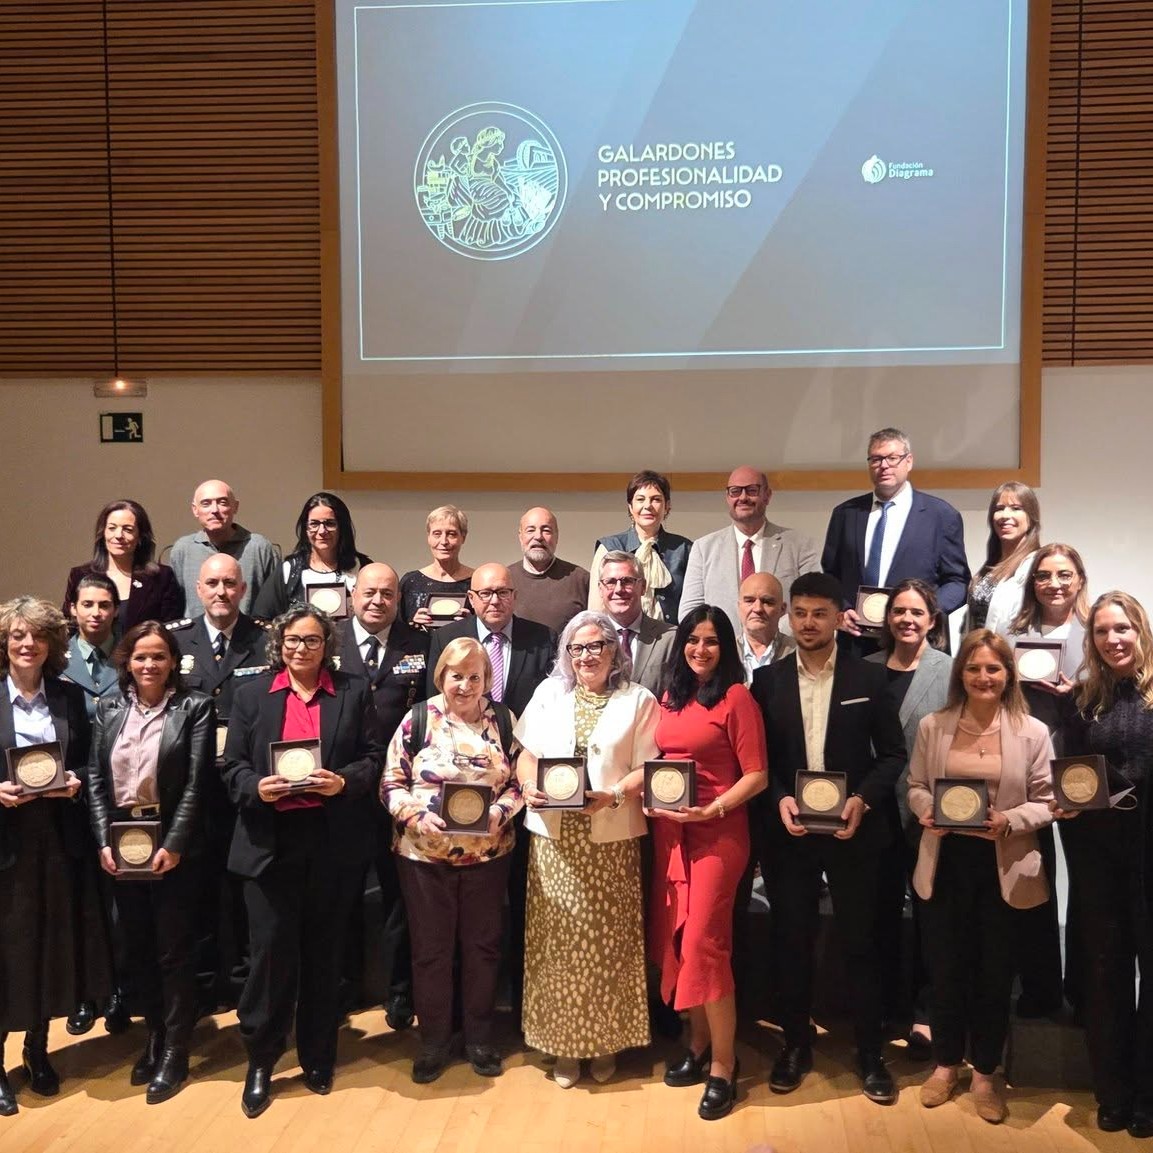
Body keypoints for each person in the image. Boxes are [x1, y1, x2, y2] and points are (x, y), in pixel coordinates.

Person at [222, 605, 385, 1117]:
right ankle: (261, 1058)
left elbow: (374, 757)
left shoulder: (353, 691)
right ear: (279, 644)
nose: (301, 649)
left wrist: (344, 782)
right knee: (269, 956)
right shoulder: (252, 695)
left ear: (327, 645)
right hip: (269, 846)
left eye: (312, 640)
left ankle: (318, 1054)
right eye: (293, 640)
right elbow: (231, 765)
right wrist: (256, 787)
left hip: (331, 843)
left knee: (323, 953)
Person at [750, 572, 905, 1105]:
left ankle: (869, 1052)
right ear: (788, 617)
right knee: (790, 941)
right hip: (790, 833)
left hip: (853, 832)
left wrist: (862, 799)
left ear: (839, 617)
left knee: (861, 942)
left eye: (819, 613)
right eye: (800, 613)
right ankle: (795, 1045)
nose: (808, 623)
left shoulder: (871, 678)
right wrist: (779, 800)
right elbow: (761, 762)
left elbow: (893, 755)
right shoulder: (766, 682)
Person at [908, 629, 1055, 1124]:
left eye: (993, 668)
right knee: (945, 969)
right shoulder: (933, 725)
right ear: (960, 674)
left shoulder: (1033, 731)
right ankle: (946, 1064)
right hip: (945, 862)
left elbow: (1047, 800)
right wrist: (926, 810)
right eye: (973, 668)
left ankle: (987, 1073)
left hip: (1003, 866)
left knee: (994, 974)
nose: (983, 677)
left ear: (1008, 674)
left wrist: (1009, 819)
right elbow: (916, 785)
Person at [514, 612, 659, 1090]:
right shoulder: (548, 694)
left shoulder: (638, 700)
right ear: (566, 654)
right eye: (577, 648)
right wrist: (529, 785)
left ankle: (605, 1042)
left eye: (597, 645)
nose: (587, 656)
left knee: (606, 945)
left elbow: (650, 767)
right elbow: (526, 754)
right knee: (558, 945)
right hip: (555, 842)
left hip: (610, 839)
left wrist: (613, 795)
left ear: (615, 650)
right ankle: (562, 1044)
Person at [382, 637, 522, 1083]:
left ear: (487, 679)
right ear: (441, 675)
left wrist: (501, 811)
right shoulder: (418, 718)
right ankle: (434, 1041)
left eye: (474, 676)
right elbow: (390, 781)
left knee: (483, 948)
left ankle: (479, 1038)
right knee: (431, 952)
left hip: (488, 856)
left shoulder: (503, 720)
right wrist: (415, 816)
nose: (465, 685)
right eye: (456, 675)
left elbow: (521, 781)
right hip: (424, 857)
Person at [87, 621, 215, 1104]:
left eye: (159, 655)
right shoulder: (108, 709)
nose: (149, 664)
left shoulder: (194, 707)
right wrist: (103, 840)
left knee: (173, 950)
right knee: (137, 947)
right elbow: (95, 780)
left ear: (173, 661)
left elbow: (197, 784)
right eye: (141, 656)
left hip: (171, 843)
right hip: (122, 842)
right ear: (127, 661)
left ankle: (177, 1049)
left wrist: (175, 843)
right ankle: (155, 1036)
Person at [649, 606, 768, 1120]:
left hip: (719, 834)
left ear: (726, 647)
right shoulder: (669, 697)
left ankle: (724, 1063)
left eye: (712, 641)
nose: (701, 649)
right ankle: (697, 1043)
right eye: (693, 640)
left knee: (705, 944)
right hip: (672, 833)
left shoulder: (736, 698)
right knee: (680, 939)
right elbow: (658, 763)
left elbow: (757, 774)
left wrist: (713, 808)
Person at [426, 562, 554, 1024]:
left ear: (515, 595)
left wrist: (510, 800)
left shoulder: (542, 638)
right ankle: (447, 1019)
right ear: (471, 598)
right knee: (443, 934)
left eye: (503, 591)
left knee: (510, 912)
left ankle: (515, 1007)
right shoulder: (447, 639)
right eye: (485, 593)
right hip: (441, 830)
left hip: (512, 805)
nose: (494, 600)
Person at [0, 597, 110, 1117]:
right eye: (18, 635)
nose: (28, 644)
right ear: (5, 642)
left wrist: (75, 781)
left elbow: (91, 764)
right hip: (5, 842)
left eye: (38, 636)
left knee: (49, 945)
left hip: (57, 839)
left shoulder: (68, 697)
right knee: (5, 951)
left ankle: (37, 1050)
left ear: (52, 644)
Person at [1056, 591, 1153, 1137]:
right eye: (1101, 631)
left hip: (1150, 852)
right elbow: (1072, 774)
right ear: (1090, 641)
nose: (1113, 639)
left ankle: (1149, 1094)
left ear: (1141, 630)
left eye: (1123, 628)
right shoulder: (1080, 701)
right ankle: (1113, 1093)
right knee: (1104, 972)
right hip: (1098, 855)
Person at [170, 555, 270, 1015]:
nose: (221, 592)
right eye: (212, 583)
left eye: (230, 583)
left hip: (246, 786)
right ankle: (206, 987)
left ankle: (248, 984)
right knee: (199, 890)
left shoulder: (266, 639)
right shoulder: (176, 640)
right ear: (198, 587)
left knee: (248, 891)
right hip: (194, 788)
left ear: (243, 588)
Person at [335, 562, 430, 1029]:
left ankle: (400, 992)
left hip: (401, 792)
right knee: (342, 895)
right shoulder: (328, 640)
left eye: (387, 594)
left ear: (399, 599)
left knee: (400, 898)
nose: (378, 601)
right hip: (344, 791)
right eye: (370, 592)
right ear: (353, 595)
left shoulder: (421, 644)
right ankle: (344, 986)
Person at [1001, 543, 1091, 1018]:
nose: (1053, 584)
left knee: (1087, 884)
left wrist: (1076, 694)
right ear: (1032, 583)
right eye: (1043, 575)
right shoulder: (1013, 636)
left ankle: (1082, 991)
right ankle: (1038, 989)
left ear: (1079, 579)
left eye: (1063, 574)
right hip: (1025, 771)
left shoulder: (1097, 633)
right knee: (1032, 877)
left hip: (1081, 772)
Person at [865, 579, 953, 1052]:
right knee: (878, 914)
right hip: (874, 811)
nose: (906, 619)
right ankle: (882, 1007)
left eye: (917, 612)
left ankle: (926, 1012)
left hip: (928, 812)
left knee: (929, 917)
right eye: (899, 611)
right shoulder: (864, 668)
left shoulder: (950, 670)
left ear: (932, 620)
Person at [820, 428, 970, 653]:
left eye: (892, 458)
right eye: (876, 459)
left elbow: (957, 581)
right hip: (856, 643)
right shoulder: (846, 514)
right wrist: (841, 608)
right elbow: (831, 574)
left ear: (908, 461)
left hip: (917, 643)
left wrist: (924, 611)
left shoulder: (941, 515)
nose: (884, 466)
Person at [680, 466, 819, 632]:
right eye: (735, 491)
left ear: (767, 495)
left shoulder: (799, 545)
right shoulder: (703, 548)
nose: (743, 497)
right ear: (727, 497)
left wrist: (768, 635)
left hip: (782, 645)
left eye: (752, 490)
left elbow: (813, 603)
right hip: (723, 646)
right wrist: (722, 639)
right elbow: (689, 613)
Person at [63, 499, 184, 632]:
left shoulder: (161, 577)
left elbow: (171, 630)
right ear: (103, 533)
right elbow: (69, 627)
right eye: (112, 528)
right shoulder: (80, 575)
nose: (118, 535)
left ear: (140, 536)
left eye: (128, 529)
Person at [589, 470, 692, 622]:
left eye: (656, 499)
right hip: (620, 634)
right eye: (640, 499)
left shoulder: (684, 549)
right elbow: (596, 608)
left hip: (672, 634)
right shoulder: (609, 547)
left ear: (667, 506)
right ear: (630, 507)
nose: (648, 506)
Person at [250, 492, 371, 621]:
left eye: (330, 523)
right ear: (305, 529)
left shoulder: (363, 568)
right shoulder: (289, 571)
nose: (322, 531)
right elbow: (260, 619)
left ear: (342, 527)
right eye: (314, 524)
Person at [168, 479, 278, 617]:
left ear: (235, 507)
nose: (214, 510)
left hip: (249, 630)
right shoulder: (183, 550)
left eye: (222, 502)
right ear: (195, 510)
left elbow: (276, 604)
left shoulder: (259, 548)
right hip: (195, 631)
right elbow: (173, 607)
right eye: (206, 503)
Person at [594, 550, 676, 695]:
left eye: (627, 581)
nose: (619, 589)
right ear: (600, 589)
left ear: (643, 587)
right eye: (610, 582)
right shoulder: (587, 639)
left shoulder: (670, 638)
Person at [967, 482, 1041, 632]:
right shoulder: (989, 568)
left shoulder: (1036, 566)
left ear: (1031, 517)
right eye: (999, 509)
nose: (1005, 515)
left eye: (1016, 508)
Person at [506, 506, 590, 634]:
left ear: (557, 537)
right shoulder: (505, 579)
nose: (538, 537)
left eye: (546, 530)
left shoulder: (580, 579)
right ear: (520, 536)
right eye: (530, 530)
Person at [398, 505, 474, 629]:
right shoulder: (410, 582)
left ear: (463, 538)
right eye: (437, 534)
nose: (444, 541)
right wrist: (412, 626)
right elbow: (396, 628)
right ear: (428, 537)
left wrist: (473, 624)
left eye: (451, 534)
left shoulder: (477, 582)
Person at [62, 573, 122, 720]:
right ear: (73, 608)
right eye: (87, 605)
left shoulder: (132, 656)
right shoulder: (56, 657)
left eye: (104, 605)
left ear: (116, 610)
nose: (96, 613)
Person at [737, 572, 794, 684]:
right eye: (749, 601)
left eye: (767, 602)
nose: (758, 608)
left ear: (782, 609)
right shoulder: (724, 655)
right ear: (739, 607)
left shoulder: (800, 654)